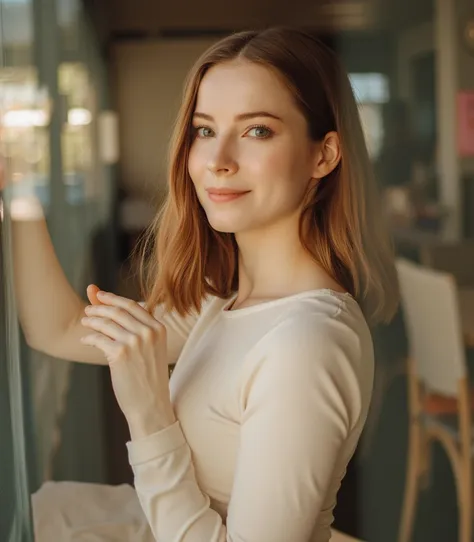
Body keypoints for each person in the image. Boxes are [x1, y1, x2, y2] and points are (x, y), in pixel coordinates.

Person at [9, 27, 398, 542]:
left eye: (257, 130)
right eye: (204, 130)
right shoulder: (226, 303)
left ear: (324, 155)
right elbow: (57, 330)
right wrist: (18, 195)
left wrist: (149, 410)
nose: (218, 159)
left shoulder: (306, 343)